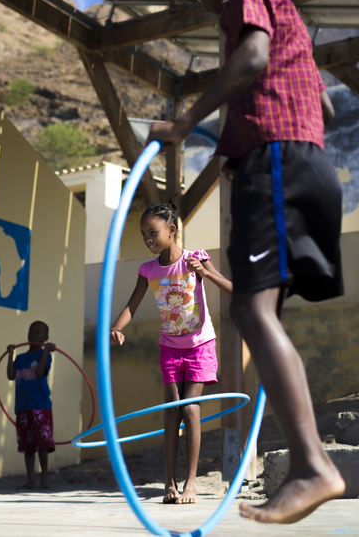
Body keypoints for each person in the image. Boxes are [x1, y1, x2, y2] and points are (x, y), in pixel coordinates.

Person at [145, 0, 345, 524]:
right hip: (304, 164)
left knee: (249, 312)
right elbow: (326, 105)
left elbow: (255, 57)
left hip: (279, 164)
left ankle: (313, 466)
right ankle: (309, 464)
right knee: (263, 318)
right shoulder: (290, 18)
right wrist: (242, 145)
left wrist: (188, 125)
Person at [111, 200, 232, 505]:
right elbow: (131, 306)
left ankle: (191, 483)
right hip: (170, 348)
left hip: (200, 346)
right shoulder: (148, 270)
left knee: (191, 409)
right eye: (144, 235)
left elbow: (232, 288)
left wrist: (204, 272)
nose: (148, 239)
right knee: (171, 412)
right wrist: (117, 327)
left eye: (153, 232)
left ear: (172, 230)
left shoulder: (196, 258)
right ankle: (170, 483)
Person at [6, 320, 56, 489]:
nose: (33, 334)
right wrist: (10, 354)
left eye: (38, 332)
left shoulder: (45, 356)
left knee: (42, 444)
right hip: (22, 408)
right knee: (27, 446)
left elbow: (39, 372)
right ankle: (31, 480)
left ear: (45, 337)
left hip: (40, 406)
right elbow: (11, 376)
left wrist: (46, 350)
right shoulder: (20, 358)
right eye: (31, 331)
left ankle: (45, 479)